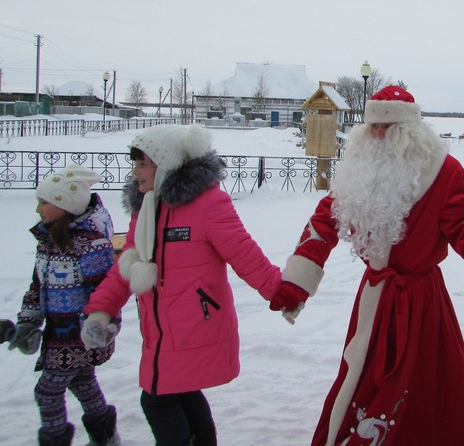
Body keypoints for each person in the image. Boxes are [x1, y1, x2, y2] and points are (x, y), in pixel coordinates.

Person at [269, 86, 464, 446]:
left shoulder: (444, 172)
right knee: (365, 378)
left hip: (421, 302)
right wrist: (297, 281)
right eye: (373, 126)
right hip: (374, 299)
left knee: (425, 388)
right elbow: (324, 221)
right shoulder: (358, 169)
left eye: (388, 128)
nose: (378, 134)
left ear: (411, 131)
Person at [81, 124, 282, 446]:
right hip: (160, 328)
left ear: (164, 164)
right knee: (182, 393)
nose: (136, 172)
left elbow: (244, 252)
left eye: (143, 163)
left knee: (157, 399)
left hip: (193, 324)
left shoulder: (208, 203)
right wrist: (101, 310)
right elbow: (127, 266)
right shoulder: (145, 208)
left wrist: (281, 292)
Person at [7, 165, 120, 446]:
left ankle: (55, 439)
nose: (38, 209)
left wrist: (101, 326)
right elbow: (37, 287)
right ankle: (105, 434)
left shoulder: (89, 245)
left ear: (65, 205)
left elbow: (106, 291)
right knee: (82, 383)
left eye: (44, 202)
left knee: (47, 392)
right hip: (56, 332)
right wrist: (28, 322)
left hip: (79, 335)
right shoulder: (47, 240)